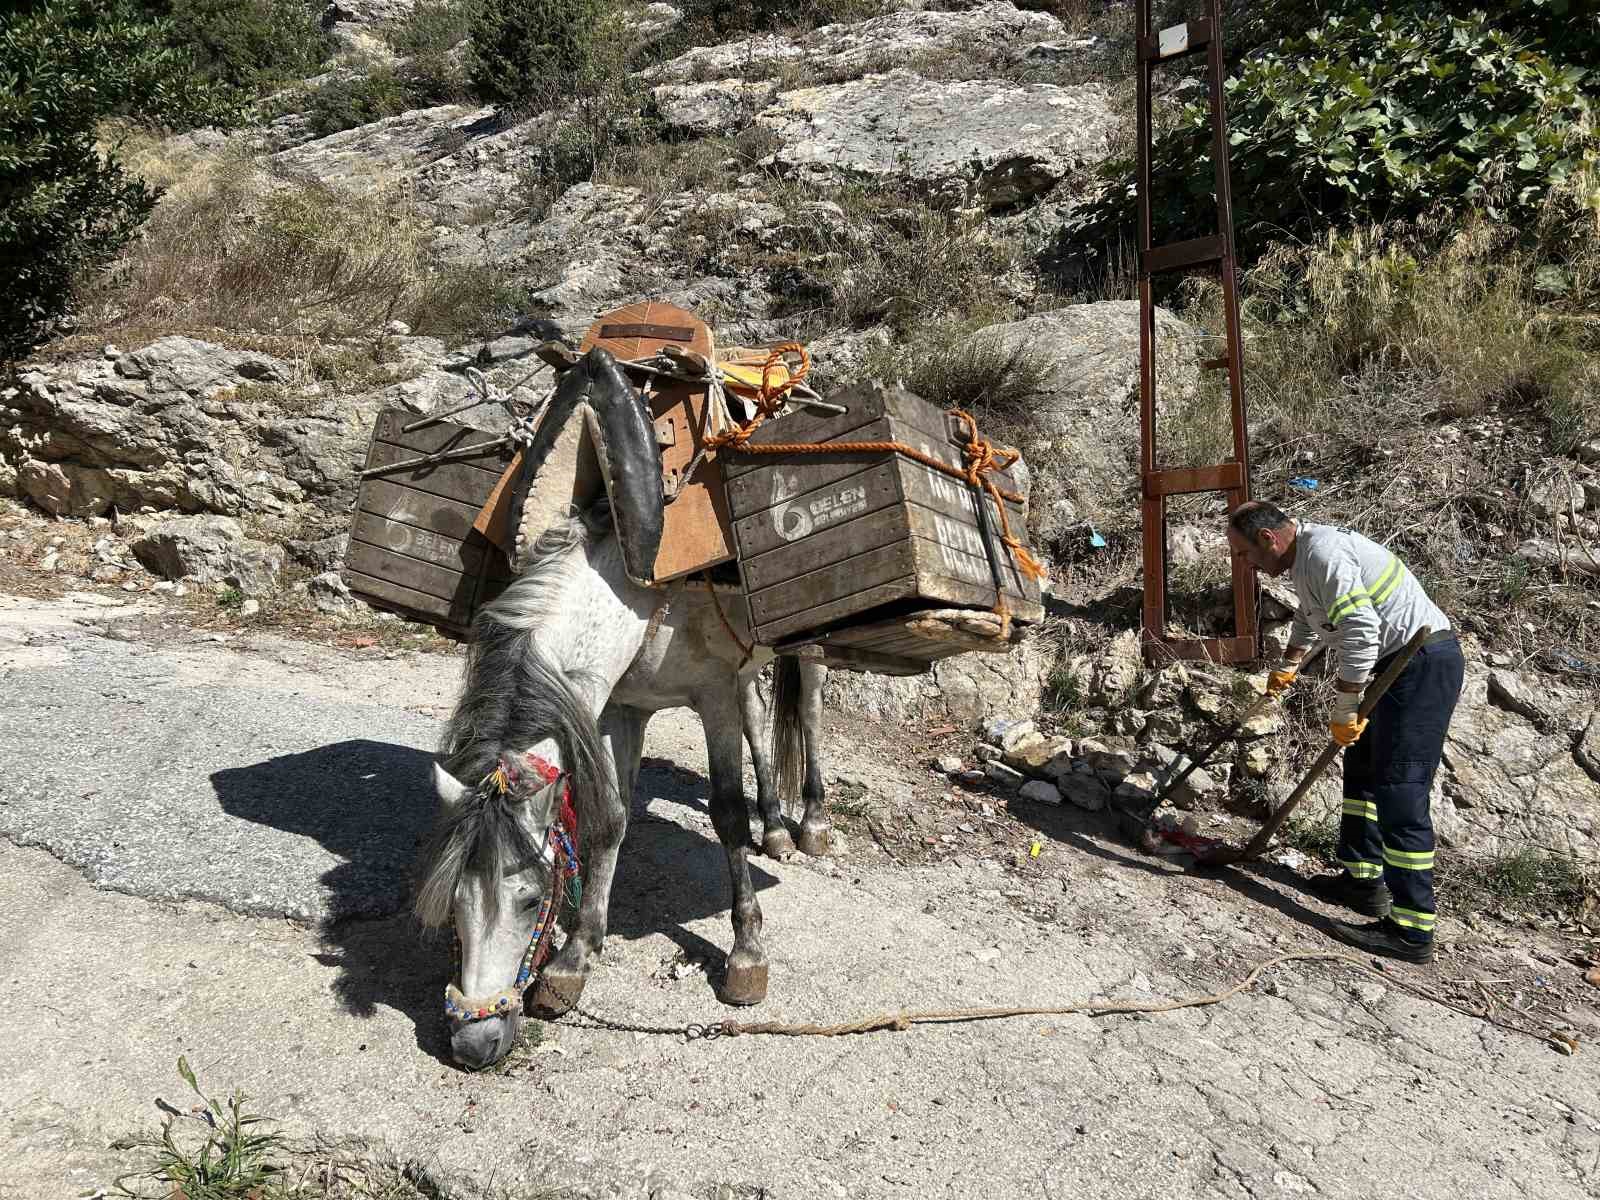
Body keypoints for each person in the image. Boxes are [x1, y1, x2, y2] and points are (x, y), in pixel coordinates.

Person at [1225, 500, 1465, 964]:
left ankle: (1412, 930)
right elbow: (1311, 612)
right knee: (1360, 772)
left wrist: (1346, 704)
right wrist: (1290, 663)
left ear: (1268, 540)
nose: (1246, 564)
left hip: (1420, 665)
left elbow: (1359, 629)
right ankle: (1361, 881)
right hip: (1394, 666)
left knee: (1399, 788)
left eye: (1245, 554)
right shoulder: (1303, 558)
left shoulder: (1325, 555)